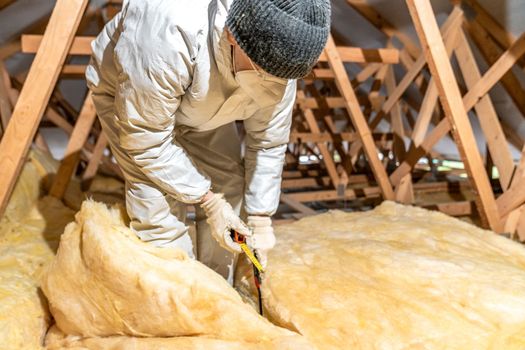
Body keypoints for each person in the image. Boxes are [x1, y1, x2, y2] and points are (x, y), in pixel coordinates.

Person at [86, 0, 331, 283]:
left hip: (201, 106)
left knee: (228, 183)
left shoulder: (281, 60)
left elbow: (267, 143)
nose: (274, 85)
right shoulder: (170, 28)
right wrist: (209, 202)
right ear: (232, 34)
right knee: (161, 213)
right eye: (264, 72)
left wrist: (261, 219)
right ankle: (178, 309)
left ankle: (218, 296)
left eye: (285, 77)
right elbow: (148, 141)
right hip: (136, 100)